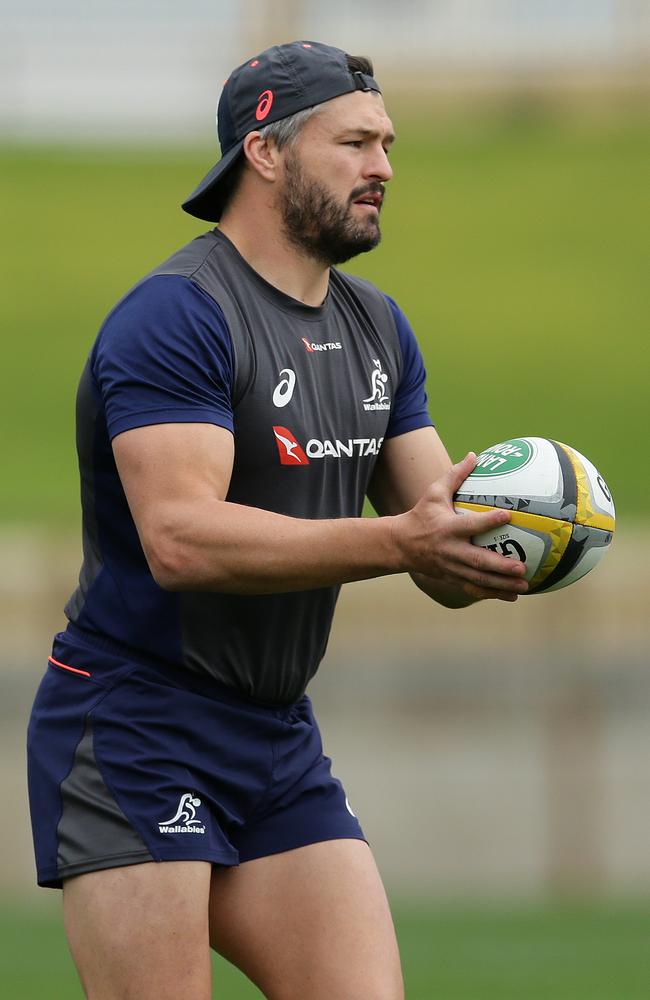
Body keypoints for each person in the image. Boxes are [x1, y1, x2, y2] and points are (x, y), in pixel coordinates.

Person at [27, 40, 528, 1000]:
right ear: (265, 151)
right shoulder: (177, 315)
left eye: (387, 144)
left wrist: (513, 537)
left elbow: (435, 538)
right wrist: (402, 543)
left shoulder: (379, 326)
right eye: (356, 143)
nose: (384, 167)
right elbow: (181, 539)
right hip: (138, 721)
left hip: (275, 734)